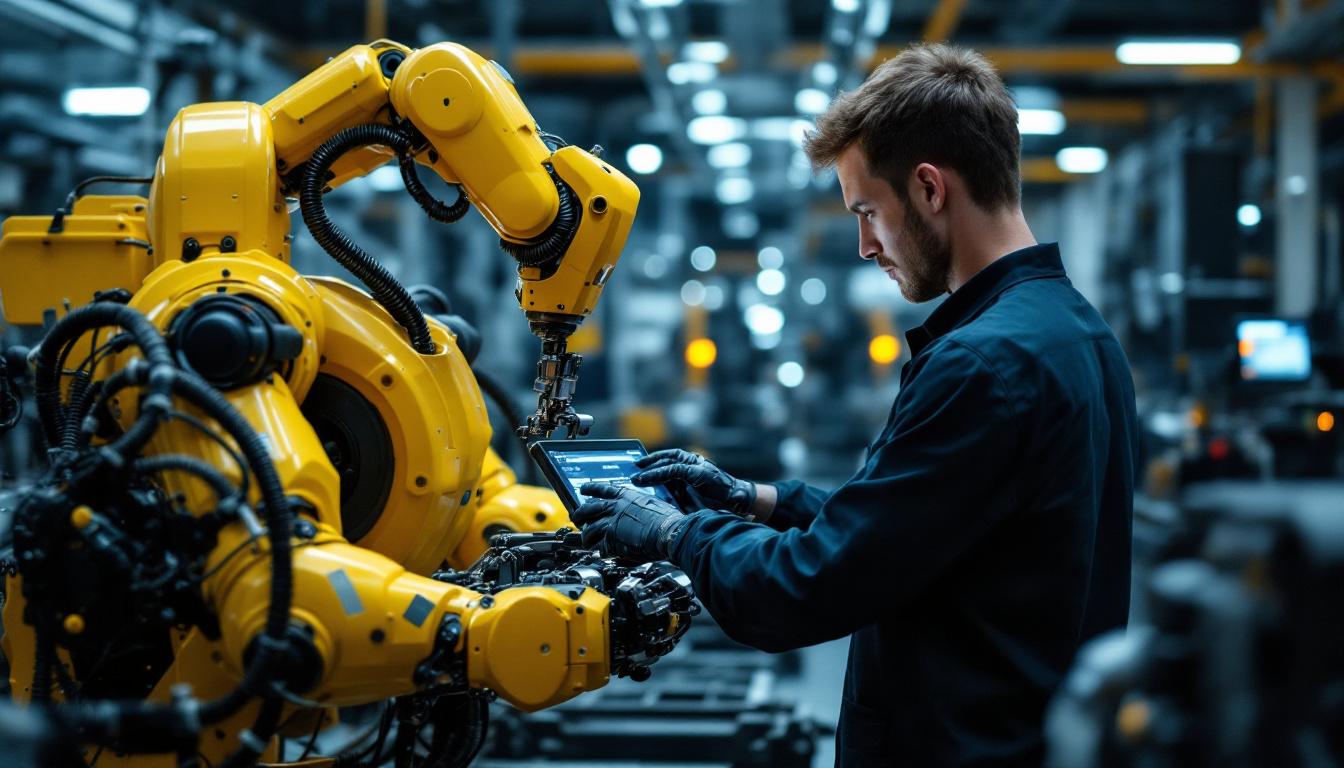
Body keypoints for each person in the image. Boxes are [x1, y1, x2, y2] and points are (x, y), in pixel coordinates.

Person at [573, 43, 1139, 767]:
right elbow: (921, 528)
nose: (866, 244)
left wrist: (671, 533)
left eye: (868, 210)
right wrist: (760, 499)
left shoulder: (980, 365)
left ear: (931, 190)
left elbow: (802, 591)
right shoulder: (1080, 335)